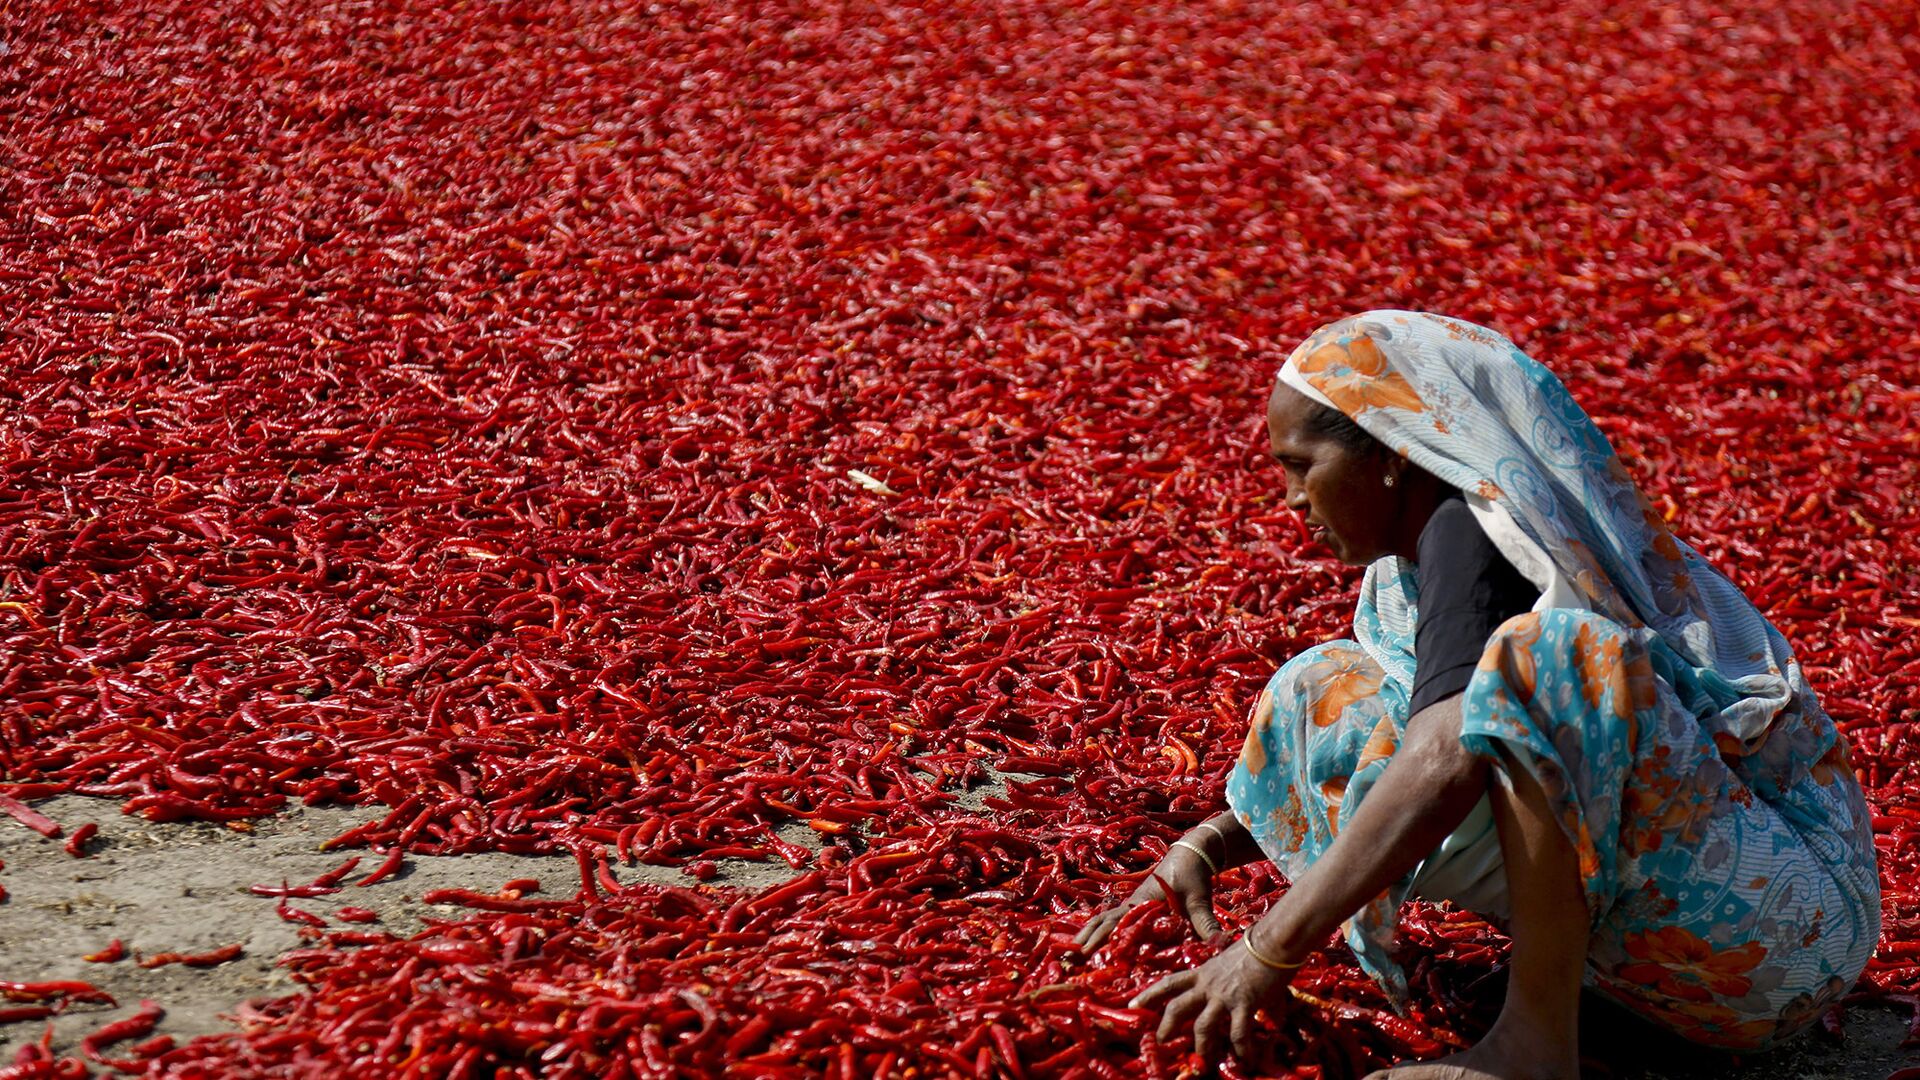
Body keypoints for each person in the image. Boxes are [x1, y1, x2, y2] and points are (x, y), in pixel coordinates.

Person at [1074, 310, 1881, 1079]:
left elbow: (1447, 746)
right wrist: (1207, 845)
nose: (1289, 500)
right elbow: (1421, 742)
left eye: (1299, 465)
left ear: (1391, 453)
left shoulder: (1479, 536)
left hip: (1783, 941)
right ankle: (1571, 1005)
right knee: (1324, 690)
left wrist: (1267, 948)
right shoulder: (1420, 559)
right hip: (1691, 954)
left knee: (1553, 660)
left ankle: (1534, 1047)